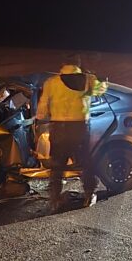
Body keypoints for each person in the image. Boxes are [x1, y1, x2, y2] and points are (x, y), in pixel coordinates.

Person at [36, 64, 108, 212]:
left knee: (57, 164)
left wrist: (40, 119)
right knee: (85, 163)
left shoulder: (51, 82)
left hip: (58, 128)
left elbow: (42, 108)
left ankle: (55, 199)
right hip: (79, 127)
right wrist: (104, 81)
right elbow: (101, 90)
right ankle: (89, 195)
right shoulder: (88, 80)